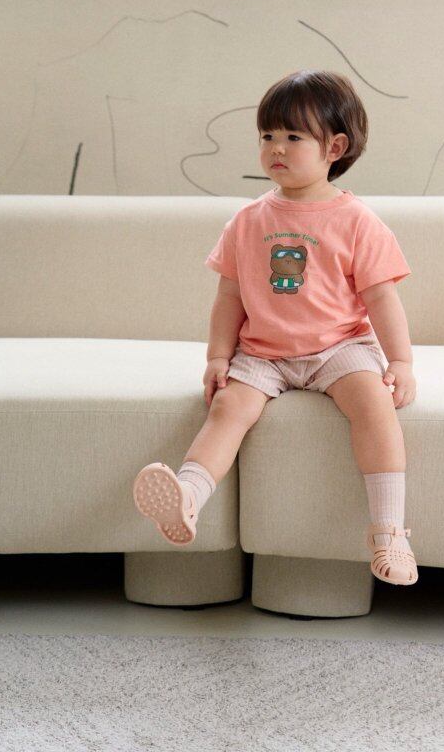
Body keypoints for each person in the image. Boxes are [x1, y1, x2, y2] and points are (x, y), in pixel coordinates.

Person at [133, 69, 418, 586]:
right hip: (264, 351)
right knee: (227, 409)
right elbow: (230, 296)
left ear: (334, 147)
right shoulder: (248, 221)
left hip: (339, 346)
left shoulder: (357, 221)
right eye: (267, 136)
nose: (276, 148)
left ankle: (389, 532)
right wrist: (218, 356)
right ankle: (187, 497)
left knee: (374, 407)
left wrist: (400, 361)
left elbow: (381, 298)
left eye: (292, 136)